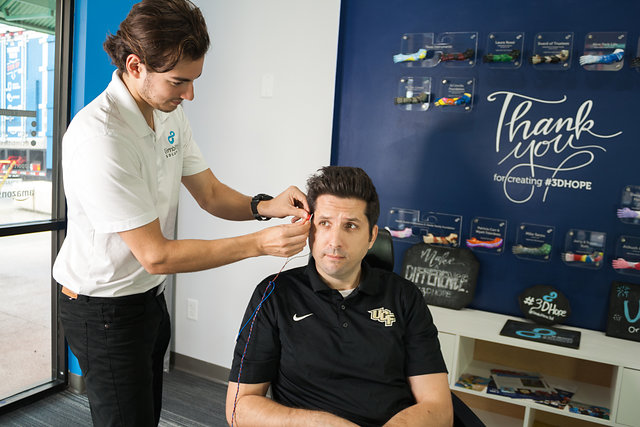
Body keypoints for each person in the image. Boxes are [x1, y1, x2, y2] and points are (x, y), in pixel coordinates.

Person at [52, 1, 310, 425]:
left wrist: (266, 206)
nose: (190, 94)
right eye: (179, 81)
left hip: (149, 297)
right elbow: (156, 254)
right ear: (135, 66)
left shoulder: (169, 114)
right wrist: (259, 244)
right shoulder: (100, 138)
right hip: (103, 308)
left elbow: (208, 193)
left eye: (193, 80)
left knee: (145, 415)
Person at [226, 166, 453, 427]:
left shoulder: (404, 296)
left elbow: (438, 408)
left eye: (351, 226)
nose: (335, 241)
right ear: (308, 229)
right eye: (324, 223)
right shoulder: (274, 295)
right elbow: (237, 408)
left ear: (371, 237)